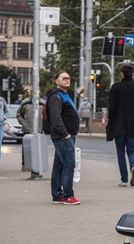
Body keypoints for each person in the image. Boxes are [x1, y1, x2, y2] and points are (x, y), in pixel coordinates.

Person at [106, 64, 134, 187]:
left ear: (122, 74)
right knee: (131, 151)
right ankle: (133, 166)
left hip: (118, 125)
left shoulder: (116, 87)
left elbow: (112, 107)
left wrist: (111, 122)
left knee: (120, 152)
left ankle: (124, 180)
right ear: (132, 74)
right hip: (132, 124)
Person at [46, 71, 80, 205]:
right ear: (56, 81)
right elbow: (56, 117)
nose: (67, 80)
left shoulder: (64, 95)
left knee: (59, 165)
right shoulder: (56, 96)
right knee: (69, 164)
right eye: (64, 78)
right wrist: (65, 134)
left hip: (66, 135)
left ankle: (57, 195)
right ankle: (67, 195)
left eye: (68, 78)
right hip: (63, 136)